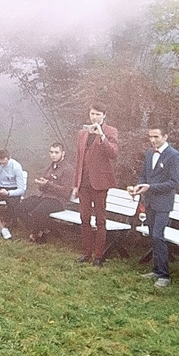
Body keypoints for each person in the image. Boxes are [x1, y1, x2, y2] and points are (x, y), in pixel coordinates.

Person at [136, 128, 179, 287]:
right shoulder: (150, 153)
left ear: (165, 136)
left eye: (156, 137)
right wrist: (138, 186)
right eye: (150, 137)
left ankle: (164, 276)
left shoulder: (174, 156)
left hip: (164, 203)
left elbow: (174, 183)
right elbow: (144, 175)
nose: (153, 140)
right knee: (153, 235)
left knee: (158, 235)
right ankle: (156, 270)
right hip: (150, 201)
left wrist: (150, 187)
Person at [72, 108, 121, 263]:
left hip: (100, 183)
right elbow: (78, 159)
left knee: (100, 220)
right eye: (92, 114)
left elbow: (113, 154)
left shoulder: (110, 131)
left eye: (98, 114)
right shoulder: (82, 133)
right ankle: (86, 253)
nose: (94, 117)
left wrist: (101, 135)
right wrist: (75, 184)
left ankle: (99, 255)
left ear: (104, 115)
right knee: (84, 218)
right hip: (84, 183)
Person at [26, 143, 71, 243]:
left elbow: (65, 191)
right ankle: (45, 229)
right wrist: (40, 184)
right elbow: (44, 188)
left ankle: (37, 235)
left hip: (58, 200)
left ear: (63, 153)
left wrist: (48, 184)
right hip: (44, 196)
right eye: (51, 152)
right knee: (23, 206)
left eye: (56, 152)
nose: (53, 155)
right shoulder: (49, 167)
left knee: (38, 212)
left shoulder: (67, 169)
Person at [0, 148, 27, 238]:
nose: (2, 165)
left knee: (13, 204)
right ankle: (1, 226)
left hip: (13, 189)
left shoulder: (16, 166)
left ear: (9, 158)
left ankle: (3, 226)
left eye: (4, 163)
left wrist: (8, 193)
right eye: (0, 163)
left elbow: (21, 189)